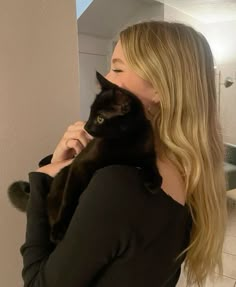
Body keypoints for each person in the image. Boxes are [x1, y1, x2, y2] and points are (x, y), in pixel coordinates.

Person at [20, 21, 227, 287]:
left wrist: (42, 180)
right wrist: (67, 170)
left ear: (161, 89)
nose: (104, 81)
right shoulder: (187, 172)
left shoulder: (121, 185)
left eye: (117, 68)